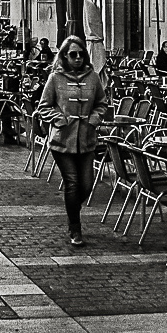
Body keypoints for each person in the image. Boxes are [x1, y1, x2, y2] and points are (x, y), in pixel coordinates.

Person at [36, 37, 111, 247]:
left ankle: (72, 211)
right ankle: (75, 227)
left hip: (87, 139)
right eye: (72, 54)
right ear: (64, 56)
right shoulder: (55, 78)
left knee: (87, 184)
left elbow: (102, 104)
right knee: (73, 183)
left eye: (80, 54)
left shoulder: (93, 77)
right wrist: (59, 119)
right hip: (62, 141)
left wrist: (94, 119)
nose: (77, 58)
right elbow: (43, 106)